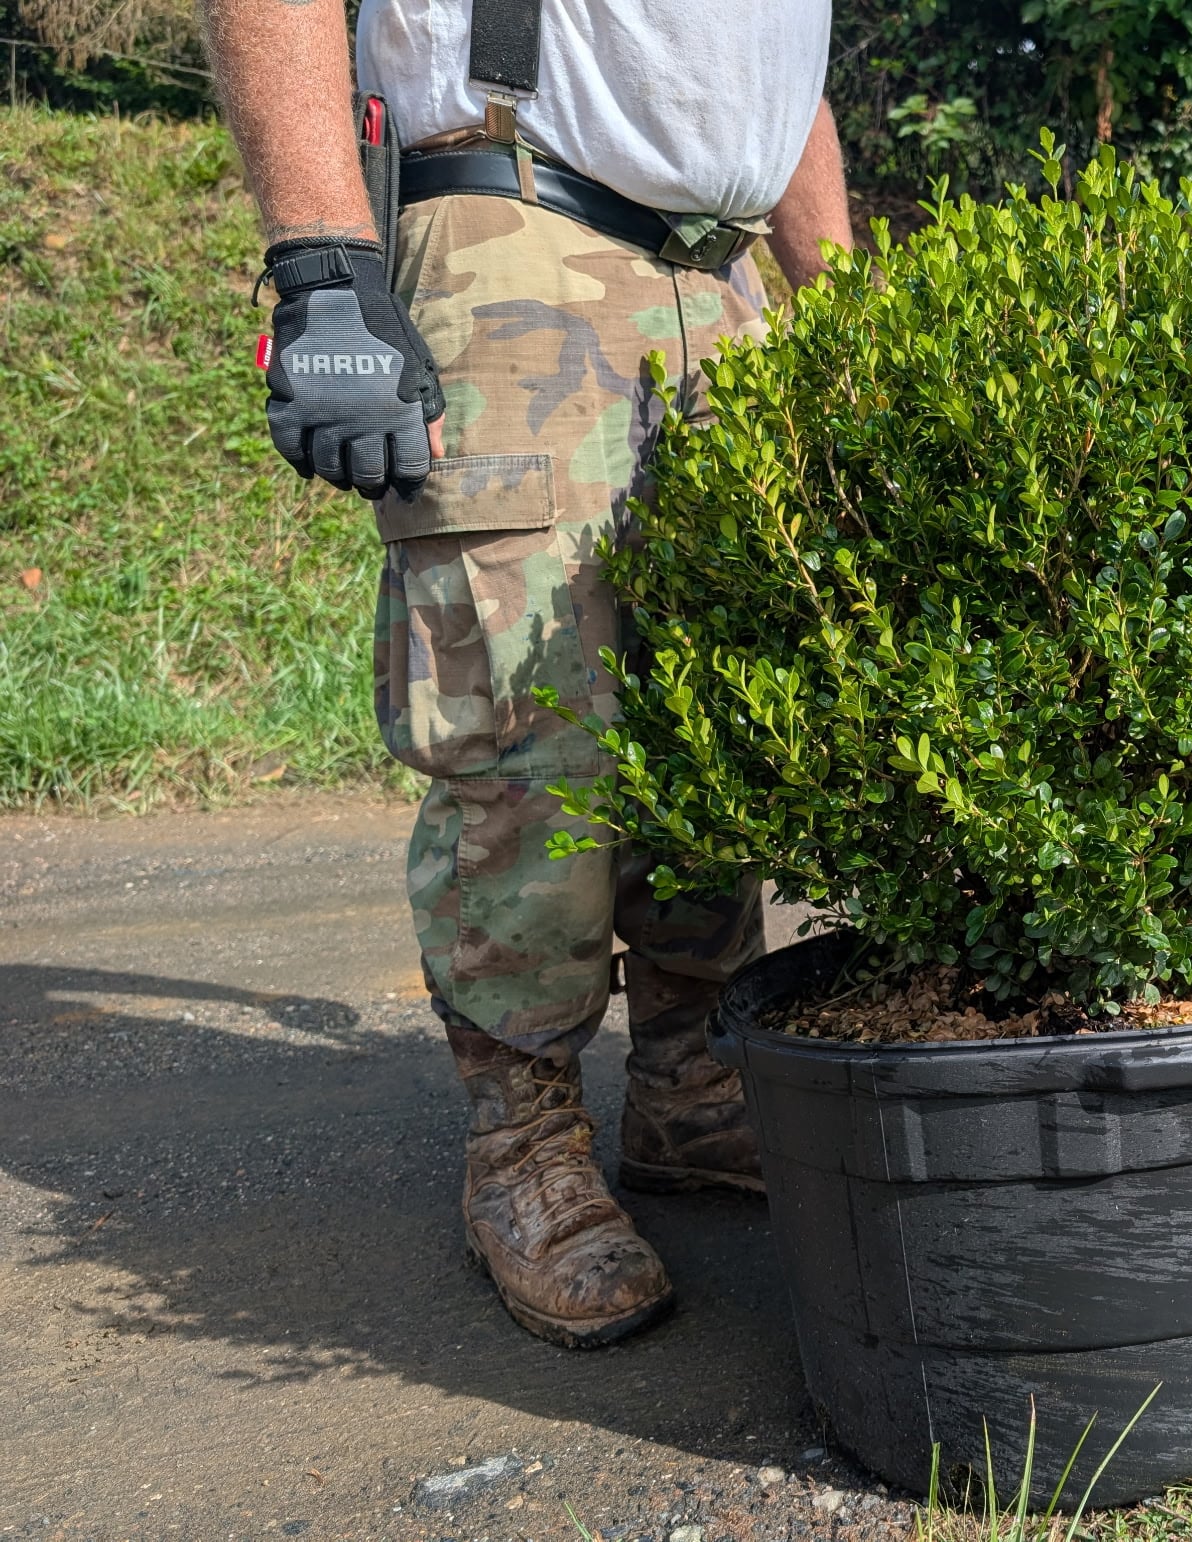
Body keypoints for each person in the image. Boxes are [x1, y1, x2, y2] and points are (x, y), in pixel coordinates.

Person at [198, 0, 850, 1348]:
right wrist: (324, 256)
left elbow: (773, 75)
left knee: (712, 716)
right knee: (532, 724)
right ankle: (521, 1141)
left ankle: (692, 1078)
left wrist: (845, 312)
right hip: (518, 228)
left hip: (723, 276)